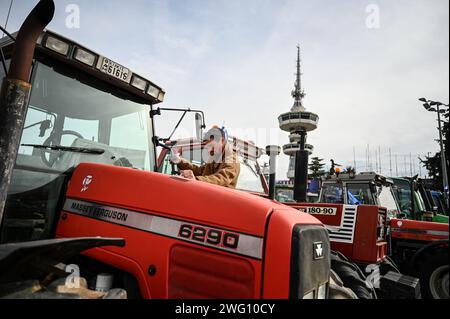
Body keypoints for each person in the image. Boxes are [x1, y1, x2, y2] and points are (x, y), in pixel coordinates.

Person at [170, 126, 240, 189]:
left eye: (211, 146)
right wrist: (180, 161)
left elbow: (221, 178)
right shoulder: (215, 157)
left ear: (221, 140)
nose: (209, 150)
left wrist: (196, 179)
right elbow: (200, 171)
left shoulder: (232, 159)